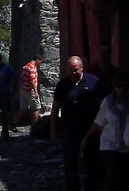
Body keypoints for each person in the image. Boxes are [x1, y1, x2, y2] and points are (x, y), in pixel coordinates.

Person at [80, 72, 129, 191]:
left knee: (128, 179)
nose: (121, 89)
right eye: (118, 86)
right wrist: (87, 137)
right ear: (114, 86)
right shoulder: (107, 102)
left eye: (124, 86)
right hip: (109, 144)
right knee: (112, 177)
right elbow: (98, 122)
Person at [50, 56, 103, 191]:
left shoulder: (93, 82)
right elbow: (55, 107)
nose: (73, 73)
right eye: (70, 70)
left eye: (75, 70)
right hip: (69, 130)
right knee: (70, 164)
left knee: (92, 164)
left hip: (89, 129)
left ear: (81, 68)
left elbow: (103, 106)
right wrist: (53, 129)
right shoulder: (63, 84)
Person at [11, 55, 43, 131]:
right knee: (36, 108)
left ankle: (13, 124)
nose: (40, 64)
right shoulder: (32, 68)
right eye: (40, 62)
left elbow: (21, 77)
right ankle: (34, 127)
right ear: (38, 60)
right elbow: (32, 80)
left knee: (22, 108)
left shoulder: (25, 67)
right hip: (30, 91)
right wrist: (35, 92)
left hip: (23, 89)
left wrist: (21, 87)